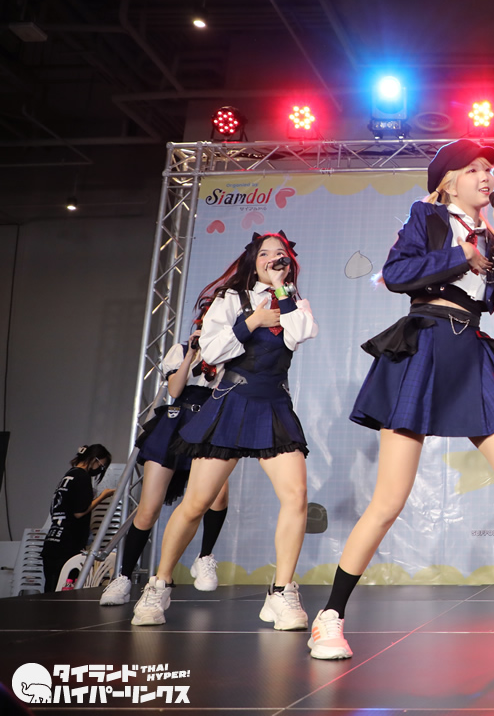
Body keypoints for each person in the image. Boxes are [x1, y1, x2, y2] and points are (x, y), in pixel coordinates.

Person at [308, 139, 494, 661]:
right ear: (448, 182)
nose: (486, 176)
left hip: (471, 352)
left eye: (489, 168)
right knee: (389, 499)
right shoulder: (425, 217)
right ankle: (330, 615)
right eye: (473, 169)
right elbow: (397, 274)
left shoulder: (492, 233)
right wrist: (462, 255)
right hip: (425, 345)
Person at [131, 232, 317, 628]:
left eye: (280, 254)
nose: (273, 259)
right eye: (265, 253)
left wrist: (282, 293)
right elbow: (212, 352)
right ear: (253, 260)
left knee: (297, 496)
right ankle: (159, 584)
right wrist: (253, 321)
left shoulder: (294, 301)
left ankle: (281, 592)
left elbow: (300, 333)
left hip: (273, 405)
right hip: (231, 401)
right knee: (196, 503)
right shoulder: (231, 299)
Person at [100, 304, 232, 606]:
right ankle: (123, 577)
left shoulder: (231, 351)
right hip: (175, 424)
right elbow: (174, 388)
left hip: (209, 426)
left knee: (219, 495)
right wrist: (191, 355)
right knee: (148, 510)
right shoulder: (182, 350)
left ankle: (205, 556)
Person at [42, 445, 114, 593]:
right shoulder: (82, 477)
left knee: (51, 588)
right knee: (65, 591)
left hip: (53, 540)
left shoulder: (69, 475)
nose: (100, 469)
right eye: (101, 465)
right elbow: (79, 512)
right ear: (94, 459)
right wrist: (103, 496)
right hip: (68, 543)